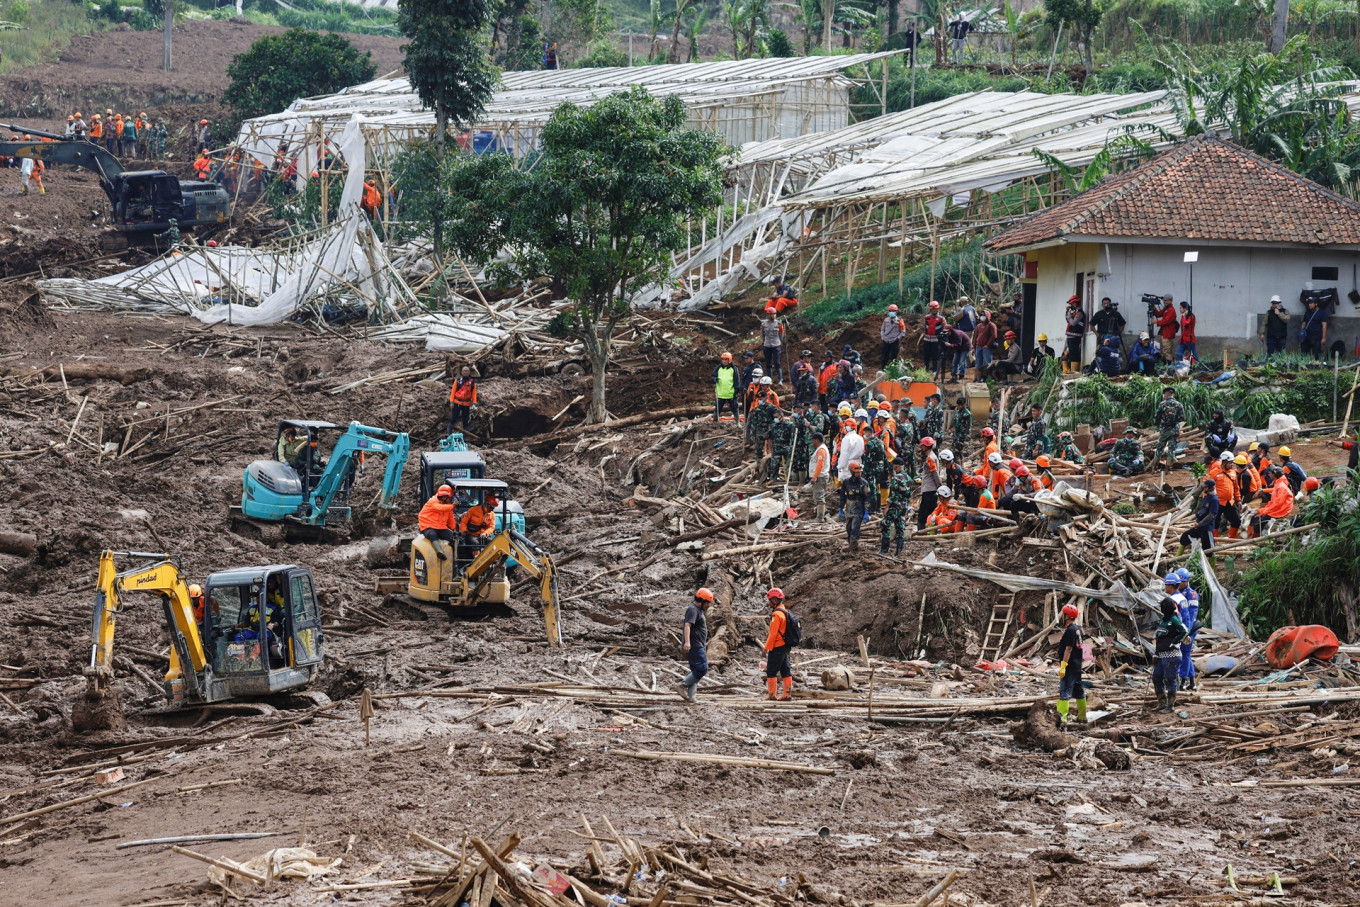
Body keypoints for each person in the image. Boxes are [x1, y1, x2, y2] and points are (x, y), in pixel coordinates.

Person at [1152, 594, 1190, 713]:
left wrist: (1175, 641)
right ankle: (1161, 702)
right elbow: (1159, 639)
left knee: (1170, 679)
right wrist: (1156, 654)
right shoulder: (1163, 620)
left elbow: (1184, 631)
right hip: (1161, 655)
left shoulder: (1174, 620)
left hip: (1172, 655)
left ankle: (1170, 705)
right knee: (1156, 677)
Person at [677, 588, 712, 703]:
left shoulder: (698, 609)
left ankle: (692, 697)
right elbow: (687, 626)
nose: (708, 605)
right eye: (707, 603)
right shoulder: (692, 609)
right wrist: (687, 642)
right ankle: (682, 685)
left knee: (696, 671)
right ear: (702, 601)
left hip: (698, 644)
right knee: (702, 668)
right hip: (694, 645)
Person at [1054, 603, 1085, 725]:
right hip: (1077, 666)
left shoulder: (1070, 630)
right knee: (1078, 691)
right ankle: (1082, 716)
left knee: (1064, 692)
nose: (1062, 616)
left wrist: (1063, 665)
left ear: (1067, 616)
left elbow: (1068, 649)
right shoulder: (1078, 630)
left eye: (1063, 614)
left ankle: (1062, 719)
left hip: (1070, 666)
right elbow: (1083, 647)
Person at [763, 588, 793, 701]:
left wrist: (766, 649)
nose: (768, 602)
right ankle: (787, 694)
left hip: (778, 646)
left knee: (771, 670)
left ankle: (771, 695)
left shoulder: (776, 615)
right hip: (786, 646)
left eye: (770, 600)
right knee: (785, 669)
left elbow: (773, 634)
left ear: (775, 600)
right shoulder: (785, 612)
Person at [879, 459, 914, 556]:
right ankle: (899, 550)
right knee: (900, 527)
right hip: (904, 507)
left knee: (885, 525)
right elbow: (909, 495)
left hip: (895, 506)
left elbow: (892, 495)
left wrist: (887, 508)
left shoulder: (896, 478)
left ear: (896, 466)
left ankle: (884, 550)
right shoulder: (909, 478)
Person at [1249, 465, 1293, 537]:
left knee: (1259, 522)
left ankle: (1255, 539)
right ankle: (1251, 537)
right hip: (1278, 507)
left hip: (1281, 510)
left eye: (1270, 473)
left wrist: (1264, 511)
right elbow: (1275, 500)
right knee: (1255, 517)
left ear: (1274, 475)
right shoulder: (1279, 483)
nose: (1269, 474)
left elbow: (1277, 504)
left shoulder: (1281, 486)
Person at [1178, 478, 1219, 554]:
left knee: (1209, 550)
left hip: (1207, 528)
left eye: (1205, 487)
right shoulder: (1206, 496)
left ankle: (1211, 565)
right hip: (1199, 526)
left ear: (1210, 488)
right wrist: (1197, 522)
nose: (1203, 488)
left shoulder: (1214, 500)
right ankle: (1177, 558)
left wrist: (1199, 524)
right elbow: (1202, 511)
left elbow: (1211, 516)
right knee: (1185, 537)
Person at [1175, 569, 1200, 692]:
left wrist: (1186, 631)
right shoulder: (1178, 593)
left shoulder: (1191, 594)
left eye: (1181, 582)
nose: (1179, 584)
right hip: (1183, 627)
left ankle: (1182, 680)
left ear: (1187, 581)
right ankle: (1192, 682)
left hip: (1189, 628)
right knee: (1187, 654)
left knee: (1184, 653)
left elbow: (1191, 614)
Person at [419, 484, 458, 558]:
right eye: (450, 498)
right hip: (428, 526)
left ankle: (456, 556)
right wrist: (453, 506)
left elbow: (451, 519)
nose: (451, 499)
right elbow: (439, 507)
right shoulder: (433, 501)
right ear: (444, 497)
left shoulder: (447, 506)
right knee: (432, 534)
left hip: (441, 528)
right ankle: (439, 551)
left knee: (453, 537)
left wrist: (454, 529)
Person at [841, 461, 872, 550]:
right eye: (857, 472)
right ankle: (850, 543)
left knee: (855, 528)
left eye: (860, 472)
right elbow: (843, 496)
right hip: (849, 508)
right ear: (851, 472)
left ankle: (853, 546)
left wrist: (866, 512)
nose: (859, 474)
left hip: (859, 509)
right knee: (848, 528)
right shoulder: (847, 482)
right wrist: (840, 508)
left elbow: (867, 498)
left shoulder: (864, 483)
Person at [1153, 386, 1184, 469]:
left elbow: (1156, 417)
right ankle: (1168, 467)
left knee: (1160, 448)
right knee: (1172, 448)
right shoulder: (1179, 405)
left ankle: (1154, 467)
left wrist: (1158, 424)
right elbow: (1182, 418)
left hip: (1164, 430)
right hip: (1174, 430)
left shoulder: (1162, 404)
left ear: (1166, 395)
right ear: (1172, 394)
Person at [916, 437, 940, 531]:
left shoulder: (930, 458)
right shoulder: (930, 457)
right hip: (928, 488)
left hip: (930, 488)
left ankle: (928, 531)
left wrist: (939, 486)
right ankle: (923, 529)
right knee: (924, 510)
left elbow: (935, 474)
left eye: (923, 446)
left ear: (927, 446)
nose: (921, 448)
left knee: (929, 511)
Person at [806, 432, 831, 521]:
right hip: (819, 476)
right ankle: (821, 514)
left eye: (813, 440)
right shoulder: (820, 449)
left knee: (819, 496)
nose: (812, 442)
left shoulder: (821, 450)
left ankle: (820, 517)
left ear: (816, 440)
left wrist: (814, 477)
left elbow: (820, 464)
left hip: (820, 477)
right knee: (818, 495)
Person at [767, 410, 796, 482]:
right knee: (774, 465)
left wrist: (792, 448)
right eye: (774, 417)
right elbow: (769, 438)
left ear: (781, 416)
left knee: (789, 465)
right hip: (776, 448)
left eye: (777, 417)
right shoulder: (773, 426)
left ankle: (789, 479)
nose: (775, 419)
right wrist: (769, 449)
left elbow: (793, 438)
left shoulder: (789, 425)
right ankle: (773, 479)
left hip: (787, 448)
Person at [713, 351, 741, 423]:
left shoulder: (734, 369)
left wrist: (736, 391)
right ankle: (714, 422)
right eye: (723, 359)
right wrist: (714, 379)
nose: (724, 361)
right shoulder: (718, 367)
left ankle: (737, 422)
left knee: (735, 408)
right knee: (717, 409)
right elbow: (713, 375)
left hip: (730, 393)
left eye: (726, 359)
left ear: (730, 360)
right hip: (720, 393)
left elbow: (737, 381)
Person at [448, 365, 477, 434]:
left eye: (467, 371)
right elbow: (453, 392)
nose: (466, 372)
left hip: (466, 404)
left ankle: (466, 435)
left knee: (465, 420)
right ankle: (449, 433)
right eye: (464, 371)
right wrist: (451, 402)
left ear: (469, 372)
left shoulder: (472, 382)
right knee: (453, 418)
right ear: (461, 372)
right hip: (457, 402)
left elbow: (474, 393)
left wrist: (474, 403)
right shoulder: (457, 381)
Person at [760, 306, 785, 384]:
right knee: (768, 363)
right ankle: (769, 379)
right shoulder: (764, 324)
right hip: (767, 345)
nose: (773, 316)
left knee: (777, 362)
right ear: (768, 315)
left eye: (774, 314)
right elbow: (762, 334)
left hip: (776, 345)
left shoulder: (779, 323)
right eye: (771, 314)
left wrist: (778, 342)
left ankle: (780, 379)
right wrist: (765, 341)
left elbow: (781, 334)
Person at [921, 300, 946, 380]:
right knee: (926, 355)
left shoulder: (941, 318)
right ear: (931, 309)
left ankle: (935, 370)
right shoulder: (926, 317)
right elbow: (923, 326)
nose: (934, 310)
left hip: (936, 340)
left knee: (935, 355)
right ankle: (927, 370)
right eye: (933, 309)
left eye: (936, 309)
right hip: (927, 339)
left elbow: (945, 327)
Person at [1062, 295, 1086, 373]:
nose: (1071, 306)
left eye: (1072, 304)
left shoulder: (1079, 313)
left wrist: (1069, 315)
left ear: (1076, 303)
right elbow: (1067, 320)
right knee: (1068, 354)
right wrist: (1067, 313)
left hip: (1075, 336)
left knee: (1074, 354)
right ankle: (1068, 371)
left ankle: (1074, 371)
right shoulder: (1074, 312)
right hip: (1070, 336)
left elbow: (1073, 323)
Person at [972, 310, 997, 380]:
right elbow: (975, 337)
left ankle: (988, 379)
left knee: (987, 364)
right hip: (978, 347)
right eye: (981, 316)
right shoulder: (978, 326)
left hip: (986, 348)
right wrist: (974, 347)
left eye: (984, 315)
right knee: (978, 364)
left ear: (987, 316)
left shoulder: (991, 325)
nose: (982, 317)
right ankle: (978, 379)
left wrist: (987, 345)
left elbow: (994, 336)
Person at [1155, 295, 1178, 362]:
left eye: (1166, 300)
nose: (1164, 302)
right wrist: (1153, 307)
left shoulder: (1171, 310)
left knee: (1166, 352)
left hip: (1167, 333)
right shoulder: (1166, 308)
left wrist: (1156, 322)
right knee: (1164, 351)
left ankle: (1169, 368)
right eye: (1164, 300)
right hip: (1164, 333)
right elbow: (1158, 314)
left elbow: (1166, 321)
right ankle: (1166, 366)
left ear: (1171, 301)